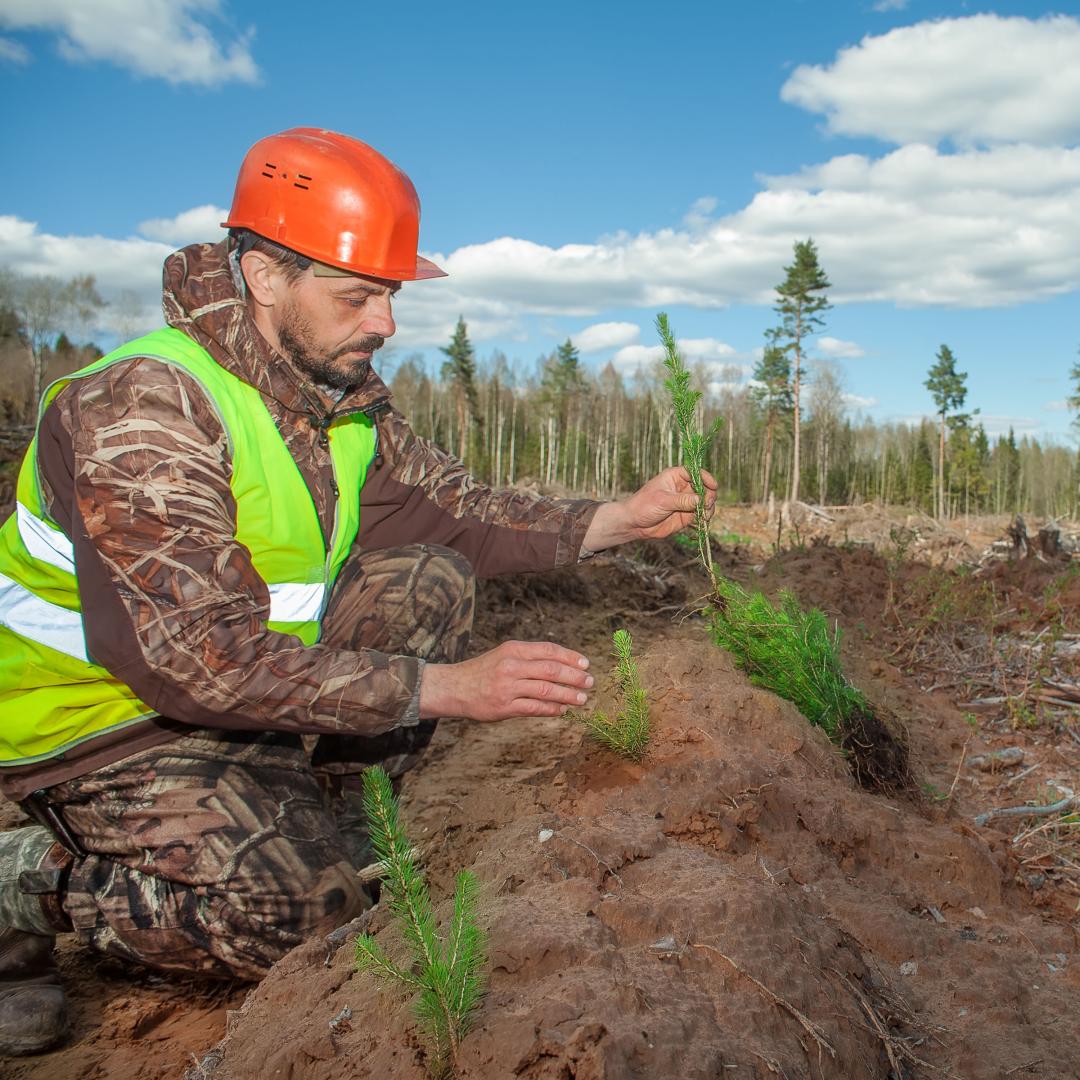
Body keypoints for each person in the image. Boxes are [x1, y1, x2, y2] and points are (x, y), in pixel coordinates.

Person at [0, 127, 716, 1056]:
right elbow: (194, 660)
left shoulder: (335, 397)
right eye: (358, 294)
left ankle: (321, 822)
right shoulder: (145, 405)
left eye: (389, 292)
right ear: (263, 276)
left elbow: (458, 511)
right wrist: (442, 688)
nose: (384, 321)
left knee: (429, 574)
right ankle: (31, 874)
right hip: (99, 723)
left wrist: (616, 518)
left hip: (240, 701)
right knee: (309, 917)